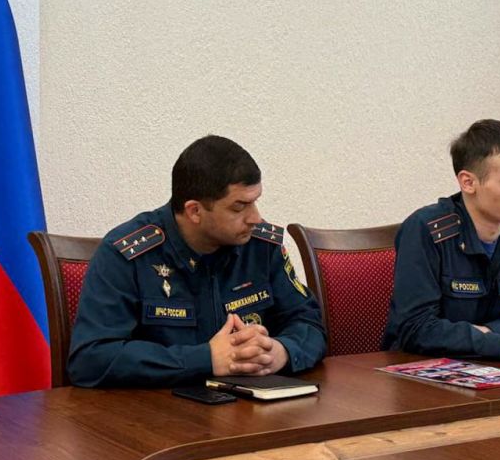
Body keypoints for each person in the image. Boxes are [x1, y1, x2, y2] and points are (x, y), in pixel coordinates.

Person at [68, 136, 327, 387]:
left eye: (255, 202)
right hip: (158, 410)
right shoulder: (128, 254)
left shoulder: (261, 247)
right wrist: (205, 359)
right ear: (195, 211)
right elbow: (91, 359)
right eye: (239, 207)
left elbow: (308, 322)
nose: (255, 218)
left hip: (250, 407)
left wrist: (281, 352)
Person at [382, 119, 500, 364]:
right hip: (425, 370)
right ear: (468, 182)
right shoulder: (427, 230)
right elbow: (415, 328)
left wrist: (491, 334)